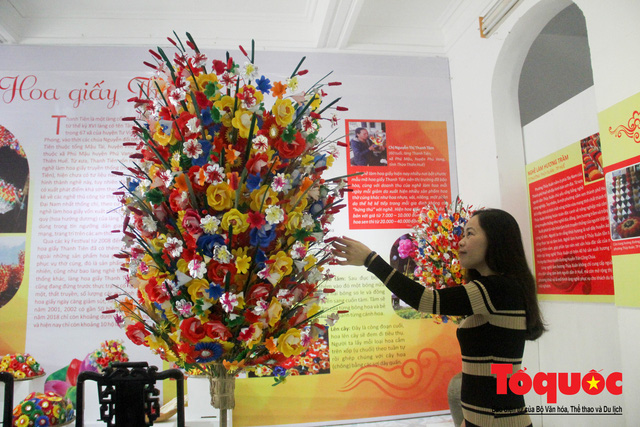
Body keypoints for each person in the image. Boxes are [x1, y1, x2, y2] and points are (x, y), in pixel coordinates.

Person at [332, 208, 546, 427]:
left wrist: (371, 260)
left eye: (470, 234)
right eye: (462, 234)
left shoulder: (496, 289)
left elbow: (424, 300)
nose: (461, 242)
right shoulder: (500, 289)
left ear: (496, 240)